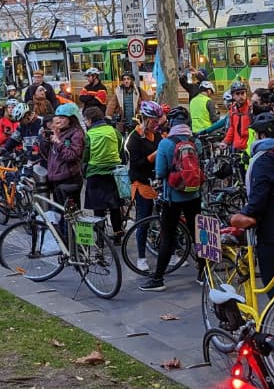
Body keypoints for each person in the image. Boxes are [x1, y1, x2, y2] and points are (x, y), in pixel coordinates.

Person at [228, 113, 274, 290]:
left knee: (271, 280)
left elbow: (258, 198)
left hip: (271, 226)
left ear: (263, 135)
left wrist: (245, 214)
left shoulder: (263, 160)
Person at [141, 113, 204, 292]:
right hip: (194, 195)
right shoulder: (195, 142)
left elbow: (160, 172)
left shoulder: (166, 143)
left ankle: (158, 278)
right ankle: (203, 274)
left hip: (173, 197)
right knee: (197, 235)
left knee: (168, 236)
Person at [126, 101, 165, 272]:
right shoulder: (135, 138)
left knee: (164, 219)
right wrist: (154, 155)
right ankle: (141, 257)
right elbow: (136, 165)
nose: (157, 124)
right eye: (154, 121)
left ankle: (168, 252)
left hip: (157, 182)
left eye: (158, 121)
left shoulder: (156, 135)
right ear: (145, 119)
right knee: (143, 220)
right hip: (141, 183)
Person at [83, 106, 124, 237]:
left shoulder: (89, 135)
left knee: (98, 207)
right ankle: (118, 233)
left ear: (89, 120)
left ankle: (100, 236)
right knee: (115, 206)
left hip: (95, 174)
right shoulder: (114, 131)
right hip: (113, 173)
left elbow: (85, 156)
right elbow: (120, 147)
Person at [45, 103, 85, 206]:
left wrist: (58, 143)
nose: (58, 121)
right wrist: (45, 140)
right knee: (59, 214)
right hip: (56, 180)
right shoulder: (58, 132)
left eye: (62, 118)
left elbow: (71, 155)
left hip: (69, 181)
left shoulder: (76, 134)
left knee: (70, 215)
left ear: (71, 119)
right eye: (57, 118)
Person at [219, 81, 252, 152]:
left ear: (246, 94)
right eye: (237, 93)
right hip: (236, 147)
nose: (241, 96)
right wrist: (225, 141)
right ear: (233, 96)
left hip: (248, 148)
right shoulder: (233, 109)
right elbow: (232, 128)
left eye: (243, 93)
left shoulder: (251, 108)